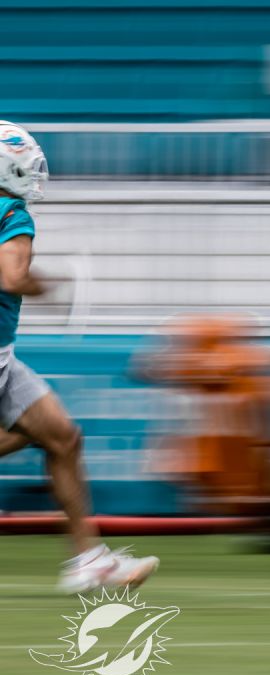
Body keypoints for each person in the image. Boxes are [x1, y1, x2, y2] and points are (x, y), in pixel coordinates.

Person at [0, 121, 158, 593]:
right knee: (55, 439)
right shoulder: (13, 212)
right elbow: (12, 277)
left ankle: (89, 560)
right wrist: (56, 285)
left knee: (63, 439)